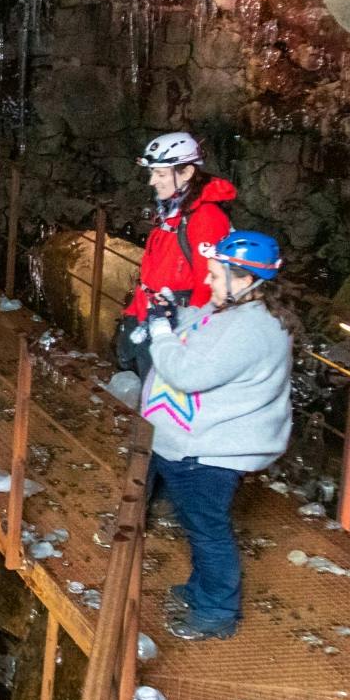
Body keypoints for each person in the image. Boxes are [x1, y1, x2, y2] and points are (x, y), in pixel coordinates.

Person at [140, 230, 291, 641]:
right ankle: (201, 590)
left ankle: (217, 612)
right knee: (197, 523)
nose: (207, 282)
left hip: (211, 451)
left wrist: (159, 332)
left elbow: (187, 373)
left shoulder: (250, 329)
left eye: (215, 275)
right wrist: (175, 313)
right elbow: (201, 326)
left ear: (244, 279)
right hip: (199, 441)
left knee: (208, 531)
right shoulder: (238, 312)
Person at [116, 132, 236, 377]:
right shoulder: (176, 210)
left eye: (160, 174)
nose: (152, 181)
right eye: (153, 173)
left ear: (187, 172)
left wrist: (190, 338)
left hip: (174, 325)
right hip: (149, 313)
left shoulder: (205, 218)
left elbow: (208, 285)